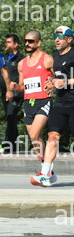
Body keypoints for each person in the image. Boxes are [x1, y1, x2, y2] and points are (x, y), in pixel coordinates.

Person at [31, 26, 74, 187]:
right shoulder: (54, 57)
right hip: (60, 104)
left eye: (60, 37)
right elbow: (54, 79)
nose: (57, 39)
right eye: (55, 36)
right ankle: (46, 173)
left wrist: (65, 82)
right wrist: (51, 84)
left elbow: (64, 80)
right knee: (52, 136)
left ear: (69, 39)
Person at [9, 31, 53, 175]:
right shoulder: (21, 64)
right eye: (26, 41)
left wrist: (53, 83)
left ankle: (45, 170)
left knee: (34, 135)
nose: (27, 44)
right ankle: (48, 169)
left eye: (31, 41)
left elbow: (59, 77)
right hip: (28, 103)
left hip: (43, 101)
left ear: (38, 43)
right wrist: (16, 87)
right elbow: (22, 86)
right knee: (36, 140)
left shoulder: (47, 59)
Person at [1, 34, 25, 154]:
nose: (6, 44)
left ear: (16, 44)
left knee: (11, 116)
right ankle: (14, 147)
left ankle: (7, 146)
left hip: (16, 93)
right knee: (10, 118)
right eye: (5, 42)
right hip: (4, 92)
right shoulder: (3, 58)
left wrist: (15, 89)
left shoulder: (22, 59)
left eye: (9, 42)